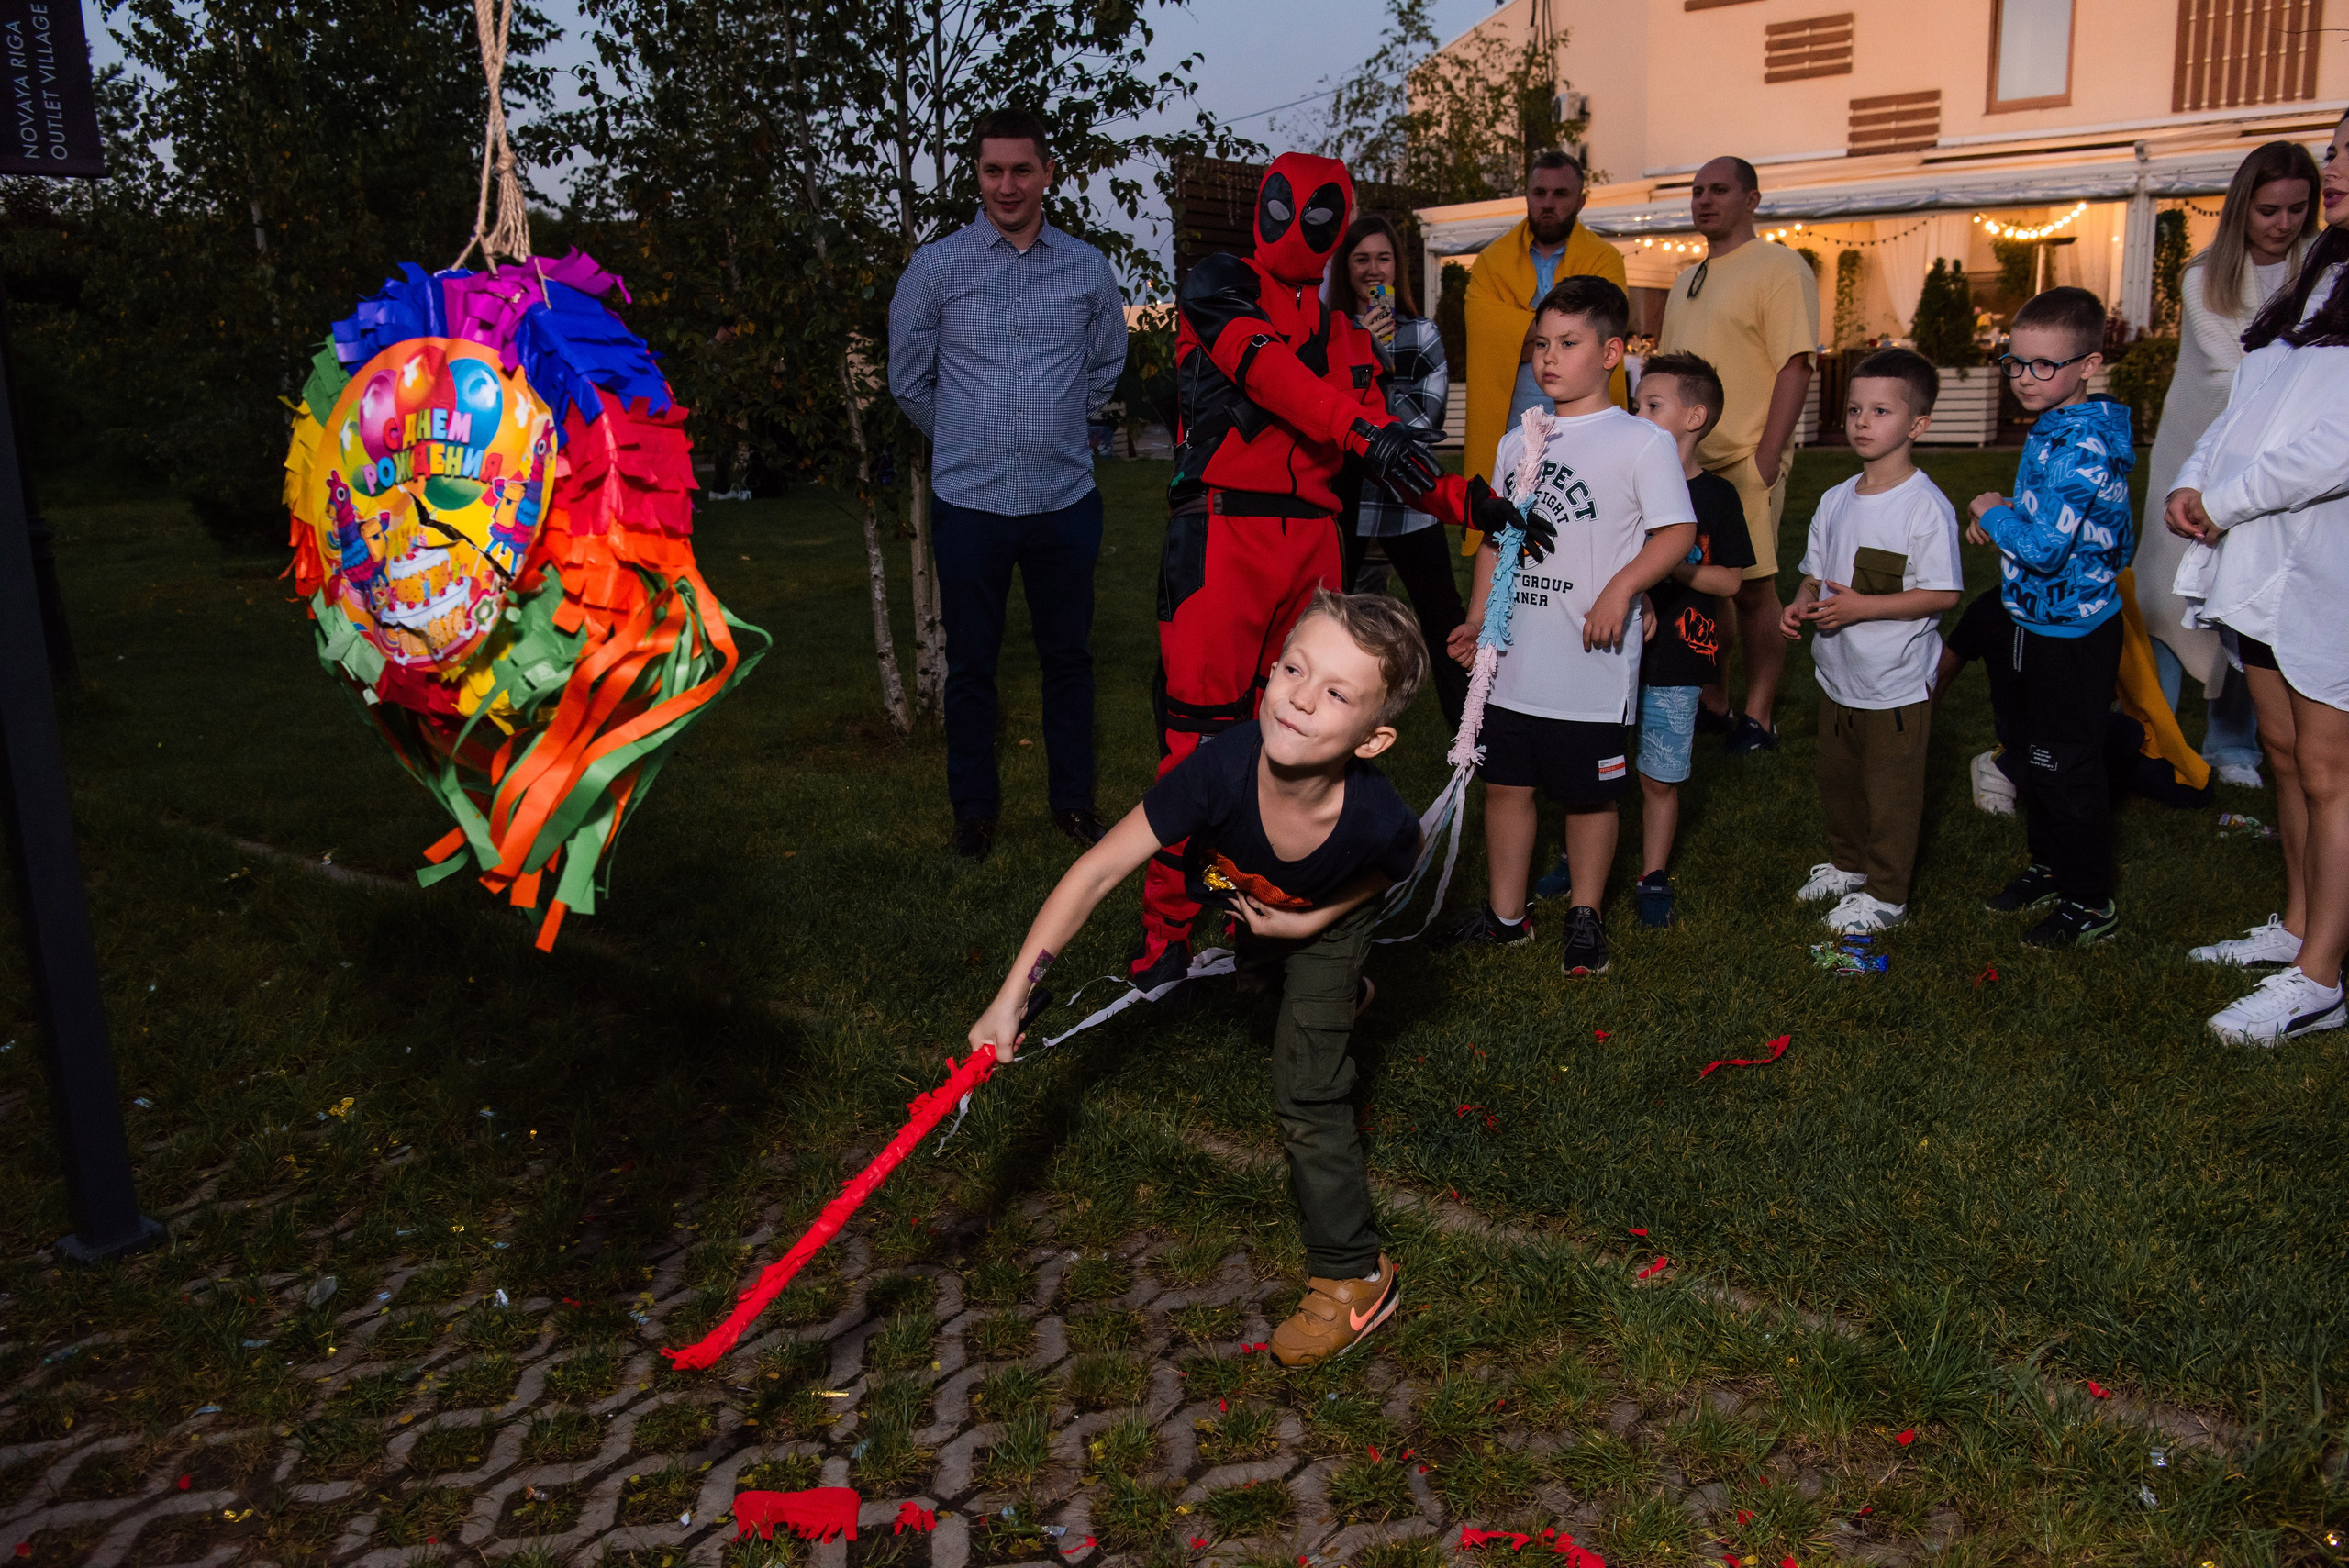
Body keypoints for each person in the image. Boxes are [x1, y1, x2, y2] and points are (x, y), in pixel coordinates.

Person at [968, 593, 1429, 1364]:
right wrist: (1009, 997)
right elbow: (1097, 871)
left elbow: (1394, 867)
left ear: (1374, 738)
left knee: (1307, 1086)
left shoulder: (1375, 816)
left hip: (1328, 917)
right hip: (1246, 901)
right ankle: (1328, 995)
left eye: (1336, 694)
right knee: (1265, 981)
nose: (1300, 698)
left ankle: (1354, 1273)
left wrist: (1311, 924)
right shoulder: (1218, 768)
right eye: (1294, 669)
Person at [1145, 152, 1525, 993]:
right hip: (1222, 538)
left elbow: (1389, 446)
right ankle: (1163, 933)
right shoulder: (1219, 284)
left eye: (1318, 212)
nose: (1297, 224)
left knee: (1292, 748)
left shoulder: (1349, 337)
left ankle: (1254, 914)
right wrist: (1365, 436)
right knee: (1197, 741)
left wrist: (1468, 501)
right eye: (1285, 204)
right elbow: (1269, 374)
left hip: (1313, 544)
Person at [1440, 276, 1698, 977]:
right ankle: (1507, 917)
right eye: (1541, 344)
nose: (1548, 358)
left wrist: (1623, 587)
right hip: (1517, 656)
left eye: (1568, 343)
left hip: (1590, 661)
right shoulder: (1518, 442)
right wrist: (1477, 619)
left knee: (1588, 794)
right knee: (1506, 785)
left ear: (1611, 352)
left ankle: (1585, 914)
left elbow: (1677, 532)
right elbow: (1497, 540)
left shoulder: (1641, 442)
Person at [888, 108, 1126, 861]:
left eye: (1022, 169)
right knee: (972, 667)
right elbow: (908, 379)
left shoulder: (1086, 267)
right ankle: (974, 814)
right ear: (977, 175)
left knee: (1069, 660)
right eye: (993, 170)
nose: (1007, 185)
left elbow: (1106, 365)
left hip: (1064, 500)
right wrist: (966, 433)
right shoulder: (936, 269)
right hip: (971, 503)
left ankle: (1074, 804)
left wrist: (1059, 426)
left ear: (1048, 173)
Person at [2165, 106, 2349, 1042]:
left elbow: (2336, 445)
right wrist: (2195, 476)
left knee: (2328, 767)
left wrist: (2225, 499)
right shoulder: (2320, 273)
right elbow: (2246, 400)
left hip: (2322, 562)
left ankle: (2322, 976)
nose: (2335, 167)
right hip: (2262, 552)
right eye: (2337, 149)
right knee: (2281, 750)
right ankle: (2296, 926)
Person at [2136, 140, 2321, 792]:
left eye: (2297, 209)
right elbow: (2231, 373)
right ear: (2243, 207)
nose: (2284, 223)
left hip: (2272, 465)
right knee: (2164, 593)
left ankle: (2233, 744)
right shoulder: (2203, 275)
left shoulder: (2324, 267)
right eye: (2269, 209)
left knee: (2245, 595)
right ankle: (2151, 737)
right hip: (2195, 450)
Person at [1967, 286, 2136, 948]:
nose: (2025, 377)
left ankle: (2089, 900)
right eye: (2016, 361)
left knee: (2066, 764)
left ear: (2089, 365)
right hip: (2033, 620)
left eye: (2044, 364)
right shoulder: (2055, 426)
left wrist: (1992, 513)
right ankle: (2050, 864)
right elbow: (2073, 527)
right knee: (2031, 751)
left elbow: (2043, 549)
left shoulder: (2083, 445)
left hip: (2072, 635)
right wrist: (2011, 516)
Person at [1780, 349, 1963, 934]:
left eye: (1881, 411)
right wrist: (1800, 601)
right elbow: (1815, 572)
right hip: (1837, 674)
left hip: (1894, 685)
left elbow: (1943, 593)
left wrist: (1864, 607)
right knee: (1839, 782)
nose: (1862, 421)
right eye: (1855, 409)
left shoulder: (1924, 507)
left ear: (1917, 425)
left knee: (1890, 794)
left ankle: (1887, 894)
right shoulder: (1836, 499)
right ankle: (1847, 864)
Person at [1657, 156, 1820, 755]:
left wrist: (1767, 455)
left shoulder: (1780, 266)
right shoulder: (1686, 279)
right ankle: (1716, 701)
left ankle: (1759, 715)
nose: (1704, 199)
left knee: (1752, 588)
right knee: (1706, 586)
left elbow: (1796, 363)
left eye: (1719, 189)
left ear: (1752, 198)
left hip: (1746, 455)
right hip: (1686, 461)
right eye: (1697, 190)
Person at [1614, 351, 1753, 927]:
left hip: (1678, 658)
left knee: (1658, 776)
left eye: (1653, 405)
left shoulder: (1717, 497)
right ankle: (1579, 856)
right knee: (1595, 765)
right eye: (1636, 404)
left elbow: (1731, 581)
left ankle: (1652, 874)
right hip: (1610, 651)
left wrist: (1669, 563)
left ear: (1695, 418)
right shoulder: (1623, 481)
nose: (1637, 415)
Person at [1330, 213, 1472, 729]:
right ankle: (1328, 720)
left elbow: (1420, 423)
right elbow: (1320, 414)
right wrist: (1356, 346)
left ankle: (1471, 733)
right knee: (1329, 617)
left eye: (1383, 258)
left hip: (1407, 498)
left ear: (1397, 267)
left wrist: (1372, 364)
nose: (1373, 269)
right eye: (1361, 259)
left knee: (1443, 618)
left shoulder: (1422, 333)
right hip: (1344, 500)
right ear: (1345, 268)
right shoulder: (1329, 335)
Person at [1462, 150, 1629, 492]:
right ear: (1527, 196)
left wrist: (1513, 339)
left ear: (1581, 201)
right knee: (1503, 517)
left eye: (1561, 194)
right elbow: (1482, 337)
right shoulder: (1491, 262)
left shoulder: (1605, 259)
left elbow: (1600, 333)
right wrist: (1568, 339)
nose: (1548, 203)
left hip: (1588, 431)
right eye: (1539, 193)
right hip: (1509, 433)